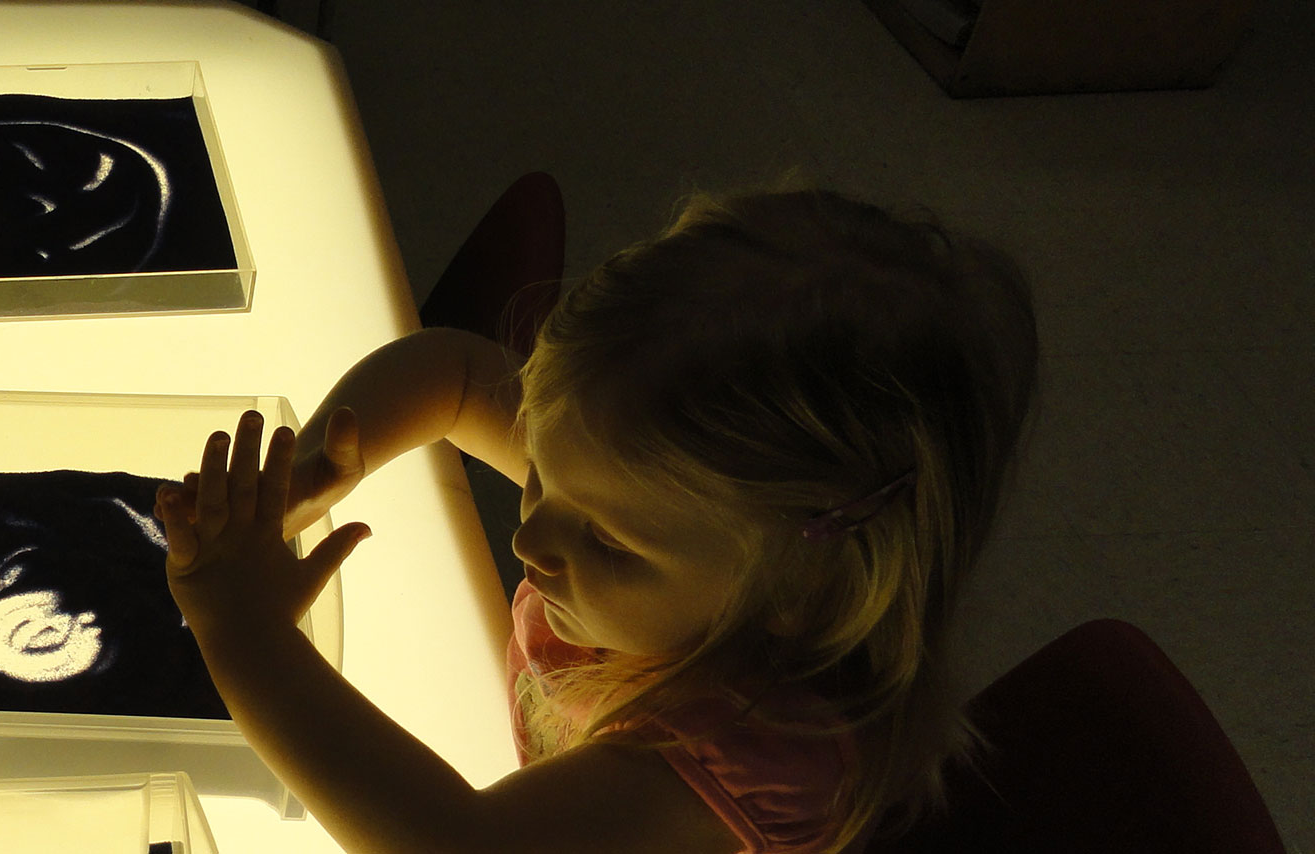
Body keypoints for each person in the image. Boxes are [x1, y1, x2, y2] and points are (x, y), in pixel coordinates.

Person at [152, 188, 1040, 853]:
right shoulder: (657, 509)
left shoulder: (748, 745)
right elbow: (455, 374)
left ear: (805, 594)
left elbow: (454, 848)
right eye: (541, 477)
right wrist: (316, 471)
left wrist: (244, 633)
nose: (530, 539)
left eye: (608, 543)